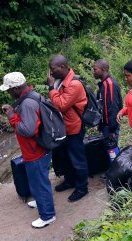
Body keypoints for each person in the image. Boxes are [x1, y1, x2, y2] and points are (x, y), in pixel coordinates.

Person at [0, 72, 57, 228]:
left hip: (36, 151)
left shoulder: (27, 104)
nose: (9, 93)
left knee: (39, 182)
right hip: (39, 148)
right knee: (37, 180)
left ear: (17, 88)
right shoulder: (32, 96)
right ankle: (41, 202)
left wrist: (12, 115)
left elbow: (28, 130)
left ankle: (47, 215)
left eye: (9, 90)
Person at [48, 54, 89, 202]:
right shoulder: (61, 80)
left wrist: (51, 88)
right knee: (66, 156)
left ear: (62, 67)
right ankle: (70, 180)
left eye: (52, 69)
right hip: (64, 126)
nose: (50, 73)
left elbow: (61, 104)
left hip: (74, 127)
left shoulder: (74, 84)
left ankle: (82, 187)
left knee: (77, 158)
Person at [93, 59, 123, 162]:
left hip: (110, 125)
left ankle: (116, 174)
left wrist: (112, 129)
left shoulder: (109, 84)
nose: (93, 72)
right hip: (106, 125)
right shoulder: (104, 83)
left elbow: (113, 108)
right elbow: (102, 106)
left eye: (95, 69)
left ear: (103, 69)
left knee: (112, 150)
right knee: (110, 149)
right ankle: (112, 171)